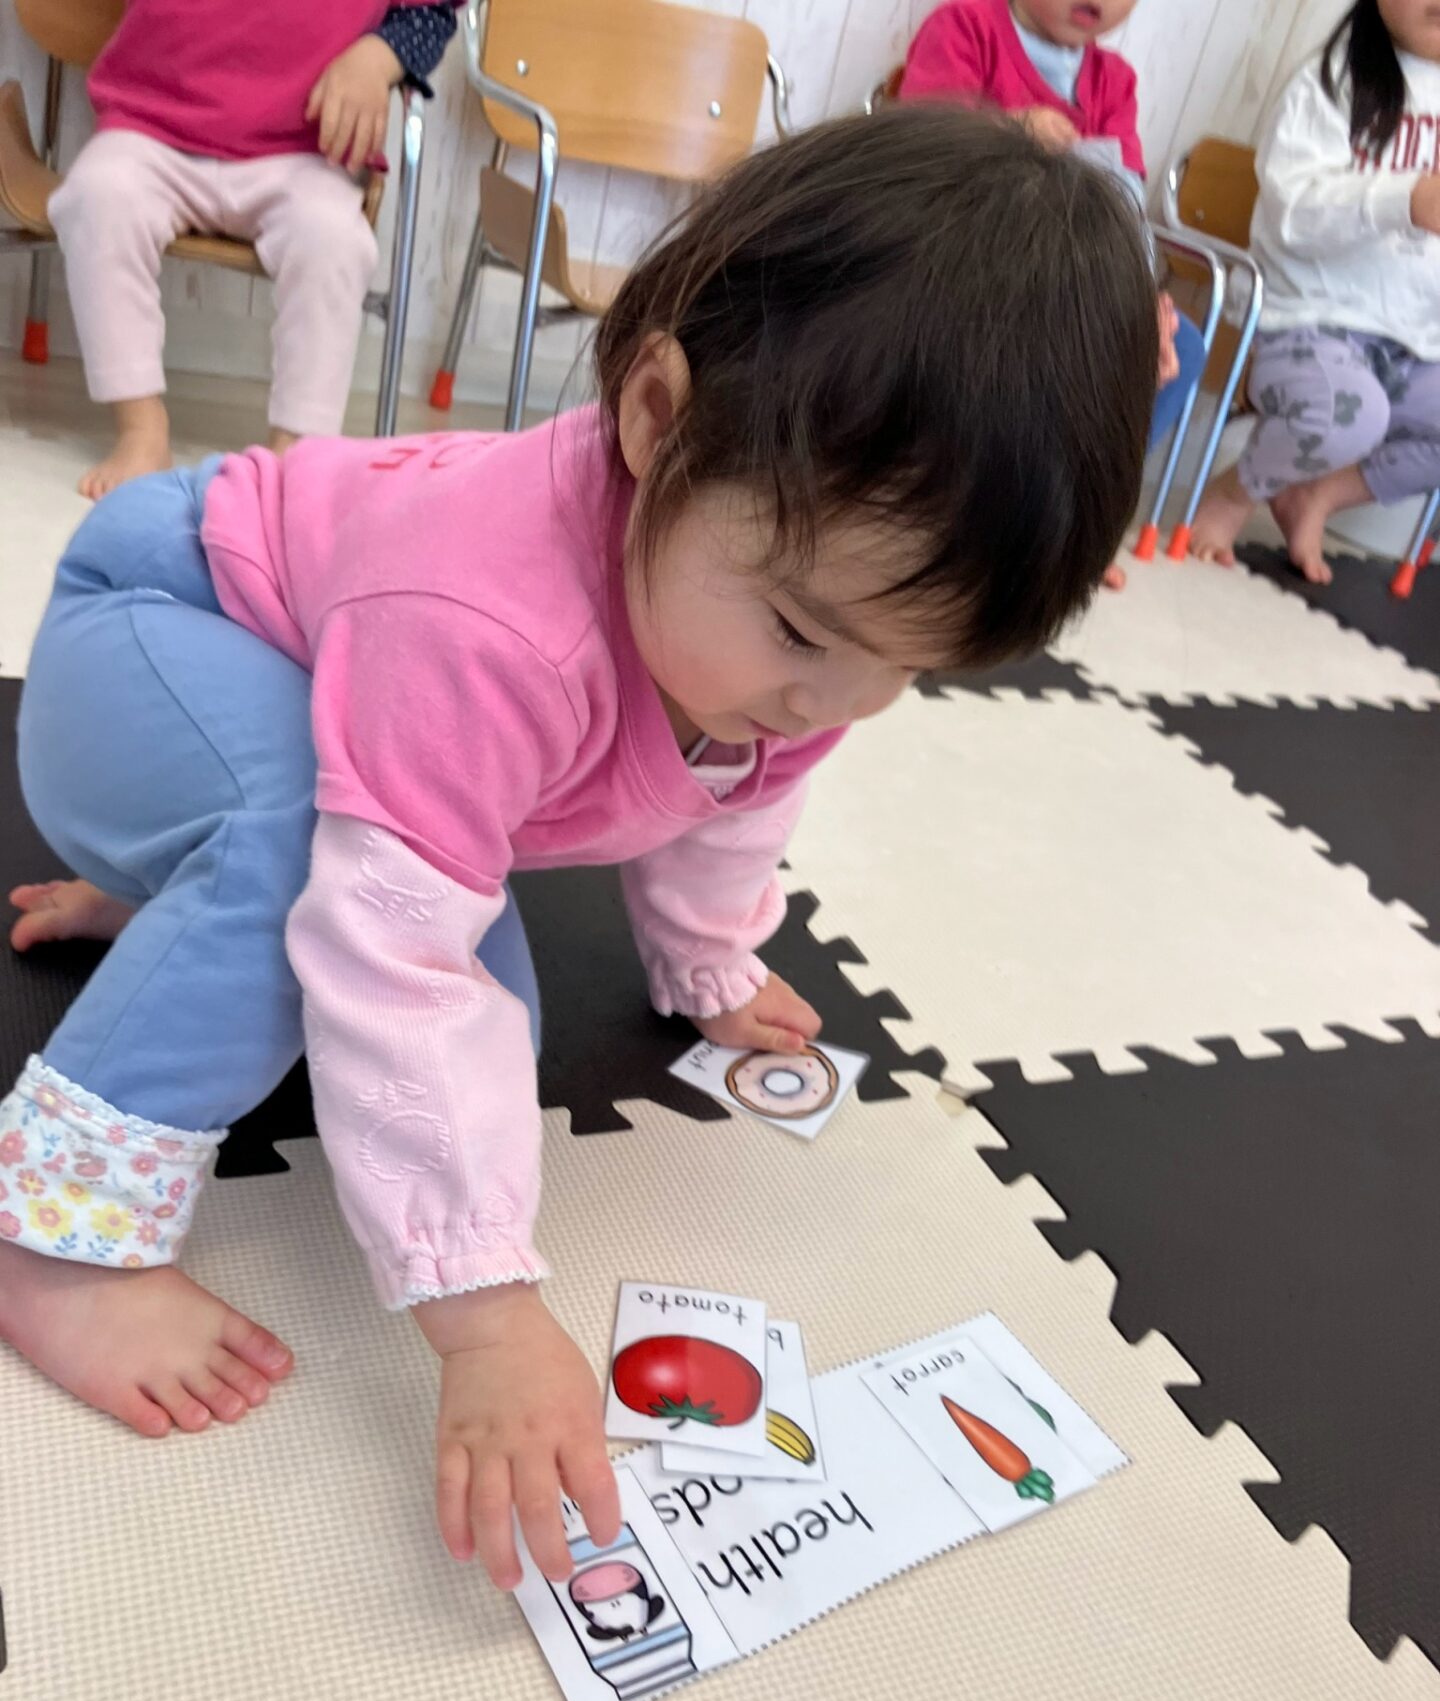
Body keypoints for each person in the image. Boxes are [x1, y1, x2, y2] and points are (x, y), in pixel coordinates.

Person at [0, 112, 1158, 1592]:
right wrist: (483, 1316)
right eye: (804, 632)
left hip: (299, 691)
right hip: (149, 634)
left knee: (502, 1026)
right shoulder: (489, 625)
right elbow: (392, 954)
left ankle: (181, 897)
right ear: (657, 419)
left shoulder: (802, 643)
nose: (835, 705)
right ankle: (53, 1240)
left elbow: (735, 797)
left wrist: (708, 963)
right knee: (315, 877)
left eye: (905, 667)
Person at [47, 0, 458, 502]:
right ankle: (140, 429)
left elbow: (430, 14)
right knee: (96, 198)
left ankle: (295, 451)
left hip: (305, 149)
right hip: (155, 126)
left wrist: (379, 56)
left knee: (333, 241)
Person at [899, 0, 1208, 588]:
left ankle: (1075, 529)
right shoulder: (967, 26)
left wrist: (1144, 299)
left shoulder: (1114, 82)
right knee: (1030, 342)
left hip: (1072, 286)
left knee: (1180, 347)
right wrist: (1010, 129)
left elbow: (1124, 206)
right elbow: (915, 145)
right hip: (970, 271)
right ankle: (972, 516)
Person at [1191, 0, 1440, 582]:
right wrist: (1402, 200)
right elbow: (1290, 214)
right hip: (1309, 322)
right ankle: (1235, 491)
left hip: (1416, 342)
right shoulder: (1331, 82)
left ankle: (1316, 495)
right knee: (1349, 412)